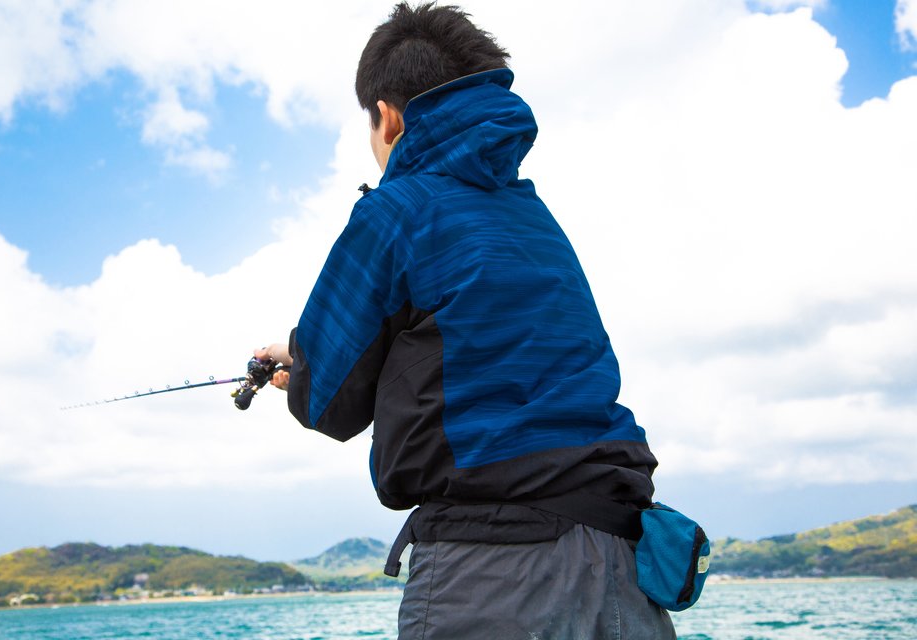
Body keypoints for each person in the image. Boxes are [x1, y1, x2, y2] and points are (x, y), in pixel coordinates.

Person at [256, 3, 676, 638]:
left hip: (493, 570)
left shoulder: (396, 209)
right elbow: (470, 329)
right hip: (624, 561)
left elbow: (329, 404)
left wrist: (301, 366)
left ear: (389, 117)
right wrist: (302, 348)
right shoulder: (536, 218)